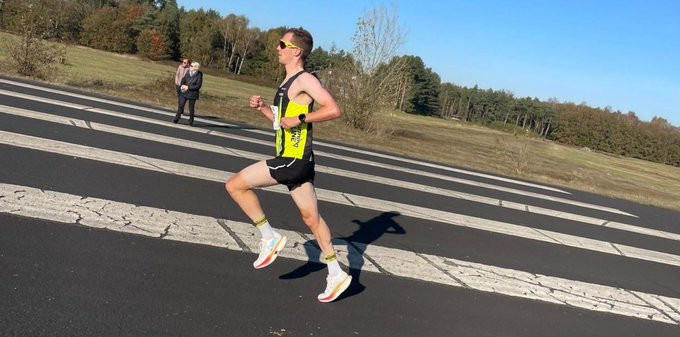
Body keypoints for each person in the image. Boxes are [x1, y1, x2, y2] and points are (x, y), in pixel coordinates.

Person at [226, 28, 351, 303]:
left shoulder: (305, 79)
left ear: (297, 51)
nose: (277, 48)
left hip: (293, 159)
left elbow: (333, 109)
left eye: (282, 44)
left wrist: (301, 119)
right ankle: (335, 272)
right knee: (311, 219)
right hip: (299, 160)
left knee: (235, 185)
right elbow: (280, 122)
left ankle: (268, 236)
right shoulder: (287, 82)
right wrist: (262, 108)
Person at [173, 61, 202, 126]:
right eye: (190, 65)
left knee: (191, 108)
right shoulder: (188, 72)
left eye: (191, 66)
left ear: (196, 68)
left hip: (193, 93)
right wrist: (181, 86)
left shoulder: (199, 75)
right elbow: (183, 79)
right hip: (184, 92)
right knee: (181, 105)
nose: (190, 67)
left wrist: (188, 87)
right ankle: (177, 118)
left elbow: (198, 86)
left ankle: (191, 121)